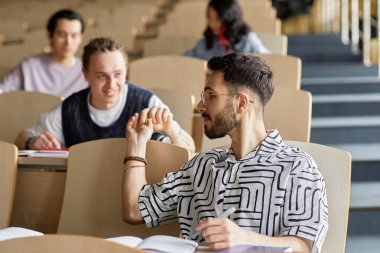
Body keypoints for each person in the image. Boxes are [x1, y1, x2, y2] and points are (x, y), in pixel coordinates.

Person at [122, 53, 327, 253]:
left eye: (210, 96)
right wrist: (137, 144)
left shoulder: (298, 166)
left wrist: (244, 239)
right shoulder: (202, 165)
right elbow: (135, 210)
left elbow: (304, 247)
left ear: (241, 103)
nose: (201, 106)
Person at [14, 37, 195, 152]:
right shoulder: (70, 108)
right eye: (102, 76)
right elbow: (21, 137)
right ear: (86, 74)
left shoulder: (146, 101)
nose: (111, 84)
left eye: (118, 74)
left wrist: (171, 132)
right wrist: (31, 142)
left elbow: (189, 148)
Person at [0, 9, 87, 98]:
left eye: (74, 36)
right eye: (62, 35)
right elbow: (4, 91)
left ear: (81, 38)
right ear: (50, 36)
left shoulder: (88, 72)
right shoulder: (29, 67)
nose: (68, 42)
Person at [185, 0, 270, 61]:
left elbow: (268, 60)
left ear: (230, 20)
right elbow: (186, 60)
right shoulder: (206, 43)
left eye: (217, 19)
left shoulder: (248, 41)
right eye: (209, 18)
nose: (212, 24)